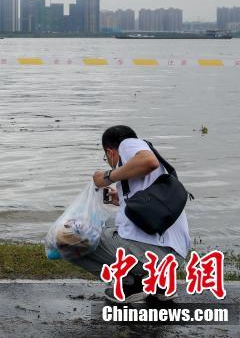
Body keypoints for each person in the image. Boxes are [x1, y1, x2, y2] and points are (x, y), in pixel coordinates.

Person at [67, 125, 191, 304]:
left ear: (110, 152)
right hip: (174, 256)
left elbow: (148, 161)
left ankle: (131, 284)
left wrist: (108, 176)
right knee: (110, 221)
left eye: (106, 157)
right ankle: (158, 284)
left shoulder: (128, 144)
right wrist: (122, 198)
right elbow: (151, 204)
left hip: (155, 254)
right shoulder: (156, 174)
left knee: (69, 237)